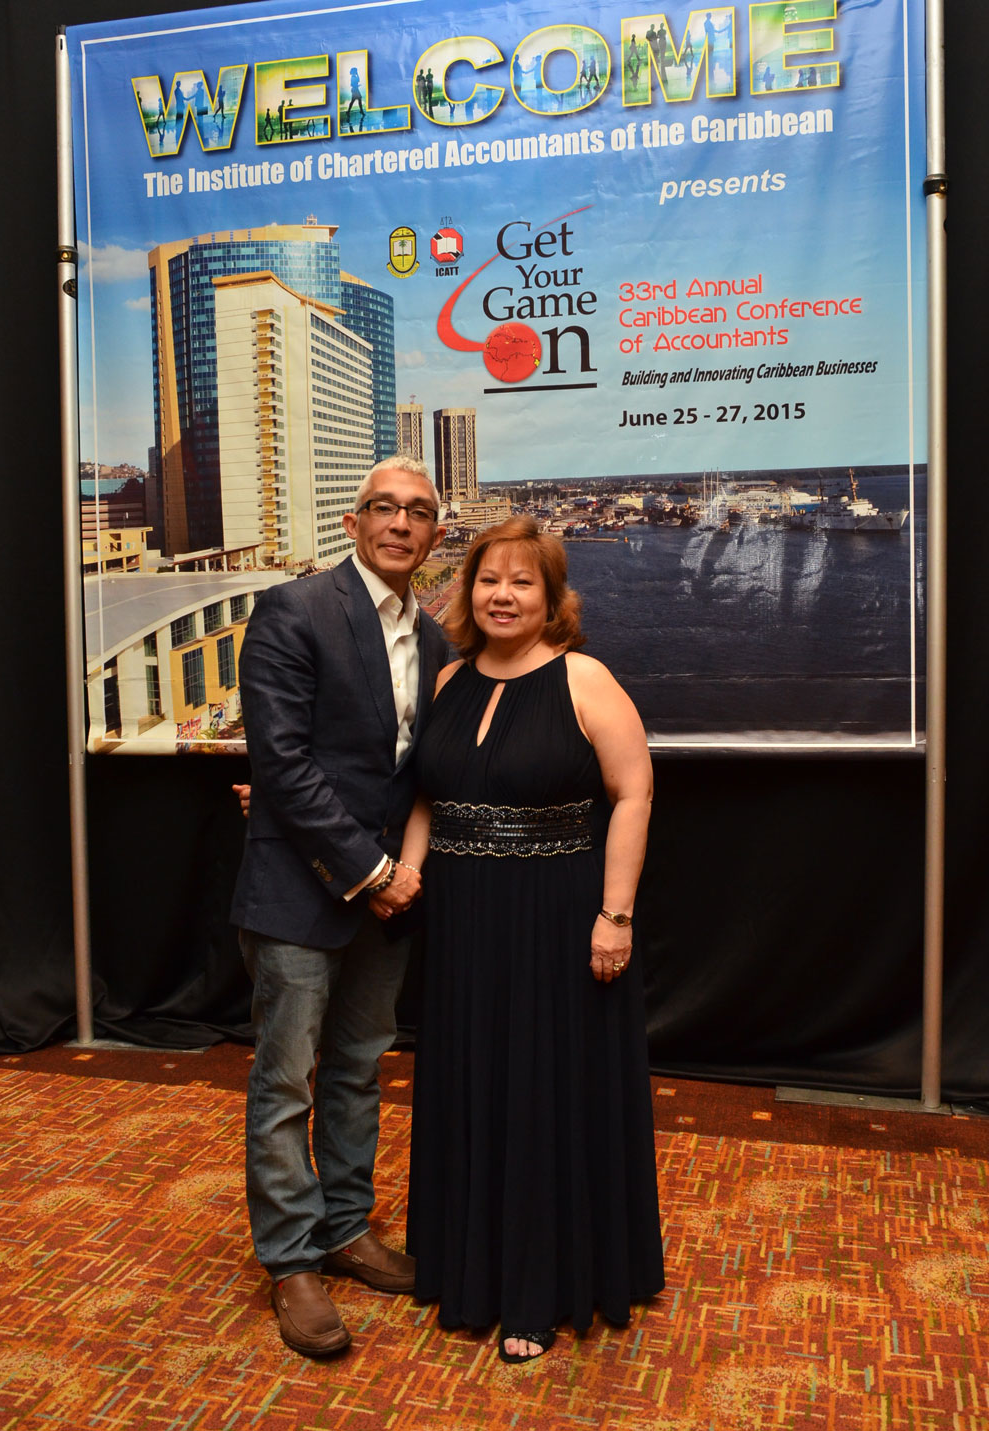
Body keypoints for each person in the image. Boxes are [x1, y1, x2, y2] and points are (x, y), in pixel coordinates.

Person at [371, 516, 664, 1363]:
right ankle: (471, 1265)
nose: (502, 595)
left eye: (522, 581)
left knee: (542, 1090)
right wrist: (407, 872)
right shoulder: (448, 679)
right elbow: (429, 798)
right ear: (469, 593)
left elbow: (635, 793)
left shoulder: (584, 677)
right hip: (463, 920)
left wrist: (615, 916)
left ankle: (538, 1293)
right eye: (488, 580)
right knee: (475, 1082)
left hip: (555, 918)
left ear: (552, 596)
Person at [230, 456, 448, 1358]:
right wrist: (373, 869)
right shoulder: (294, 609)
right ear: (353, 523)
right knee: (287, 1081)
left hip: (385, 902)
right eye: (383, 508)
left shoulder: (435, 639)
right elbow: (281, 762)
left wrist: (402, 874)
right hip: (300, 890)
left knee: (358, 1070)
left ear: (434, 534)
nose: (401, 522)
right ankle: (291, 1259)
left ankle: (347, 1228)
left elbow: (419, 768)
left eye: (418, 512)